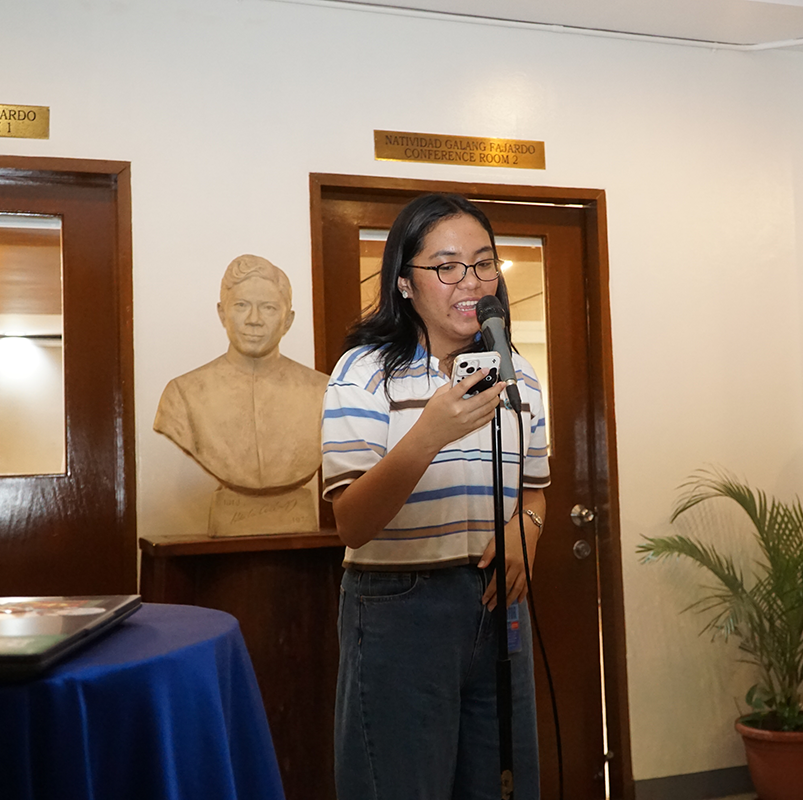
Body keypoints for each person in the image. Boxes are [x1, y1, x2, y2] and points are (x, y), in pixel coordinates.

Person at [321, 193, 550, 800]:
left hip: (500, 609)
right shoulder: (364, 371)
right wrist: (430, 433)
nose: (470, 283)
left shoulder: (519, 375)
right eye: (447, 266)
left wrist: (525, 536)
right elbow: (351, 522)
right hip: (398, 607)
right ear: (404, 282)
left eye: (483, 263)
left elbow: (535, 492)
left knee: (503, 782)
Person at [154, 254, 329, 493]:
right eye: (241, 305)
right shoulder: (183, 394)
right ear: (222, 314)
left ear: (287, 321)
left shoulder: (325, 392)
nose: (253, 320)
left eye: (268, 308)